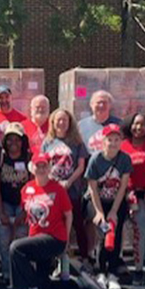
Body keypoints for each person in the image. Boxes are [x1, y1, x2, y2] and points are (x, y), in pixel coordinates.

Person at [10, 153, 73, 289]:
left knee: (16, 249)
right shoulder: (26, 189)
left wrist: (67, 241)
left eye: (44, 165)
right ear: (32, 168)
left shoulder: (58, 189)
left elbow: (68, 215)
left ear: (49, 167)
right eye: (38, 165)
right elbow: (27, 213)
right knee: (45, 285)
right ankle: (74, 285)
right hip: (36, 238)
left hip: (54, 238)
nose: (41, 169)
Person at [41, 109, 90, 271]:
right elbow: (42, 164)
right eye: (58, 120)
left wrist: (68, 182)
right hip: (52, 191)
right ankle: (56, 259)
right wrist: (50, 181)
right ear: (53, 123)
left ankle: (85, 257)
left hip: (71, 190)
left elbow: (81, 166)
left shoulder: (77, 142)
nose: (61, 123)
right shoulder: (48, 142)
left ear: (70, 123)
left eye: (65, 120)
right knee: (54, 225)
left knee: (77, 223)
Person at [85, 124, 132, 289]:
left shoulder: (125, 159)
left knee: (115, 232)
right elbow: (92, 188)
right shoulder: (96, 159)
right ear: (103, 141)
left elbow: (123, 187)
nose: (113, 143)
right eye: (109, 140)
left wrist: (113, 211)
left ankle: (112, 272)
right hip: (98, 201)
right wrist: (99, 212)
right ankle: (100, 270)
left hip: (115, 202)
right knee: (102, 232)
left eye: (116, 139)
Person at [119, 113, 145, 287]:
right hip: (132, 195)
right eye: (135, 124)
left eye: (142, 125)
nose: (138, 128)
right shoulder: (123, 146)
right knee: (139, 233)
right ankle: (138, 269)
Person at [0, 123, 31, 284]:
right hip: (5, 202)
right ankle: (7, 272)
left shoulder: (29, 157)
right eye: (10, 139)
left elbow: (33, 186)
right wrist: (0, 212)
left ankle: (21, 270)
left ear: (23, 141)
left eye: (17, 139)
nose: (13, 143)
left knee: (22, 236)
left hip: (24, 203)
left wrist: (25, 211)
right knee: (3, 237)